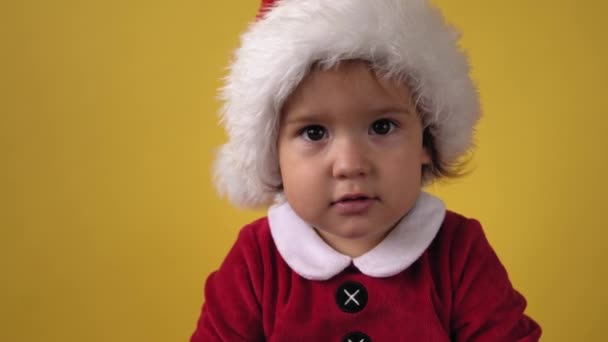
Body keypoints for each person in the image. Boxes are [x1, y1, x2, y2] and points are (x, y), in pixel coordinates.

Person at [191, 0, 542, 340]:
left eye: (382, 127)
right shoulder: (257, 261)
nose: (350, 165)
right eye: (314, 132)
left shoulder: (456, 252)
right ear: (273, 155)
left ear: (425, 141)